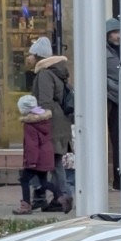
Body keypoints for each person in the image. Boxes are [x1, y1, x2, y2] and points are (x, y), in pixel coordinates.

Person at [28, 36, 74, 213]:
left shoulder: (44, 74)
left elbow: (45, 102)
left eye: (31, 54)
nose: (28, 58)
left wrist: (36, 120)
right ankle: (61, 197)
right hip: (59, 122)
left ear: (38, 56)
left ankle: (56, 197)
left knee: (42, 161)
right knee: (54, 162)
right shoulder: (57, 71)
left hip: (50, 123)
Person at [12, 95, 58, 215]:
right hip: (46, 155)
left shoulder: (30, 125)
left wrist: (31, 161)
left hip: (36, 158)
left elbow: (32, 145)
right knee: (42, 181)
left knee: (24, 180)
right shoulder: (45, 120)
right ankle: (61, 196)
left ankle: (25, 205)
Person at [105, 18, 121, 190]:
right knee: (116, 140)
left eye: (119, 32)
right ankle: (118, 180)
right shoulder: (101, 52)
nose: (118, 36)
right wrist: (117, 88)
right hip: (112, 101)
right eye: (114, 32)